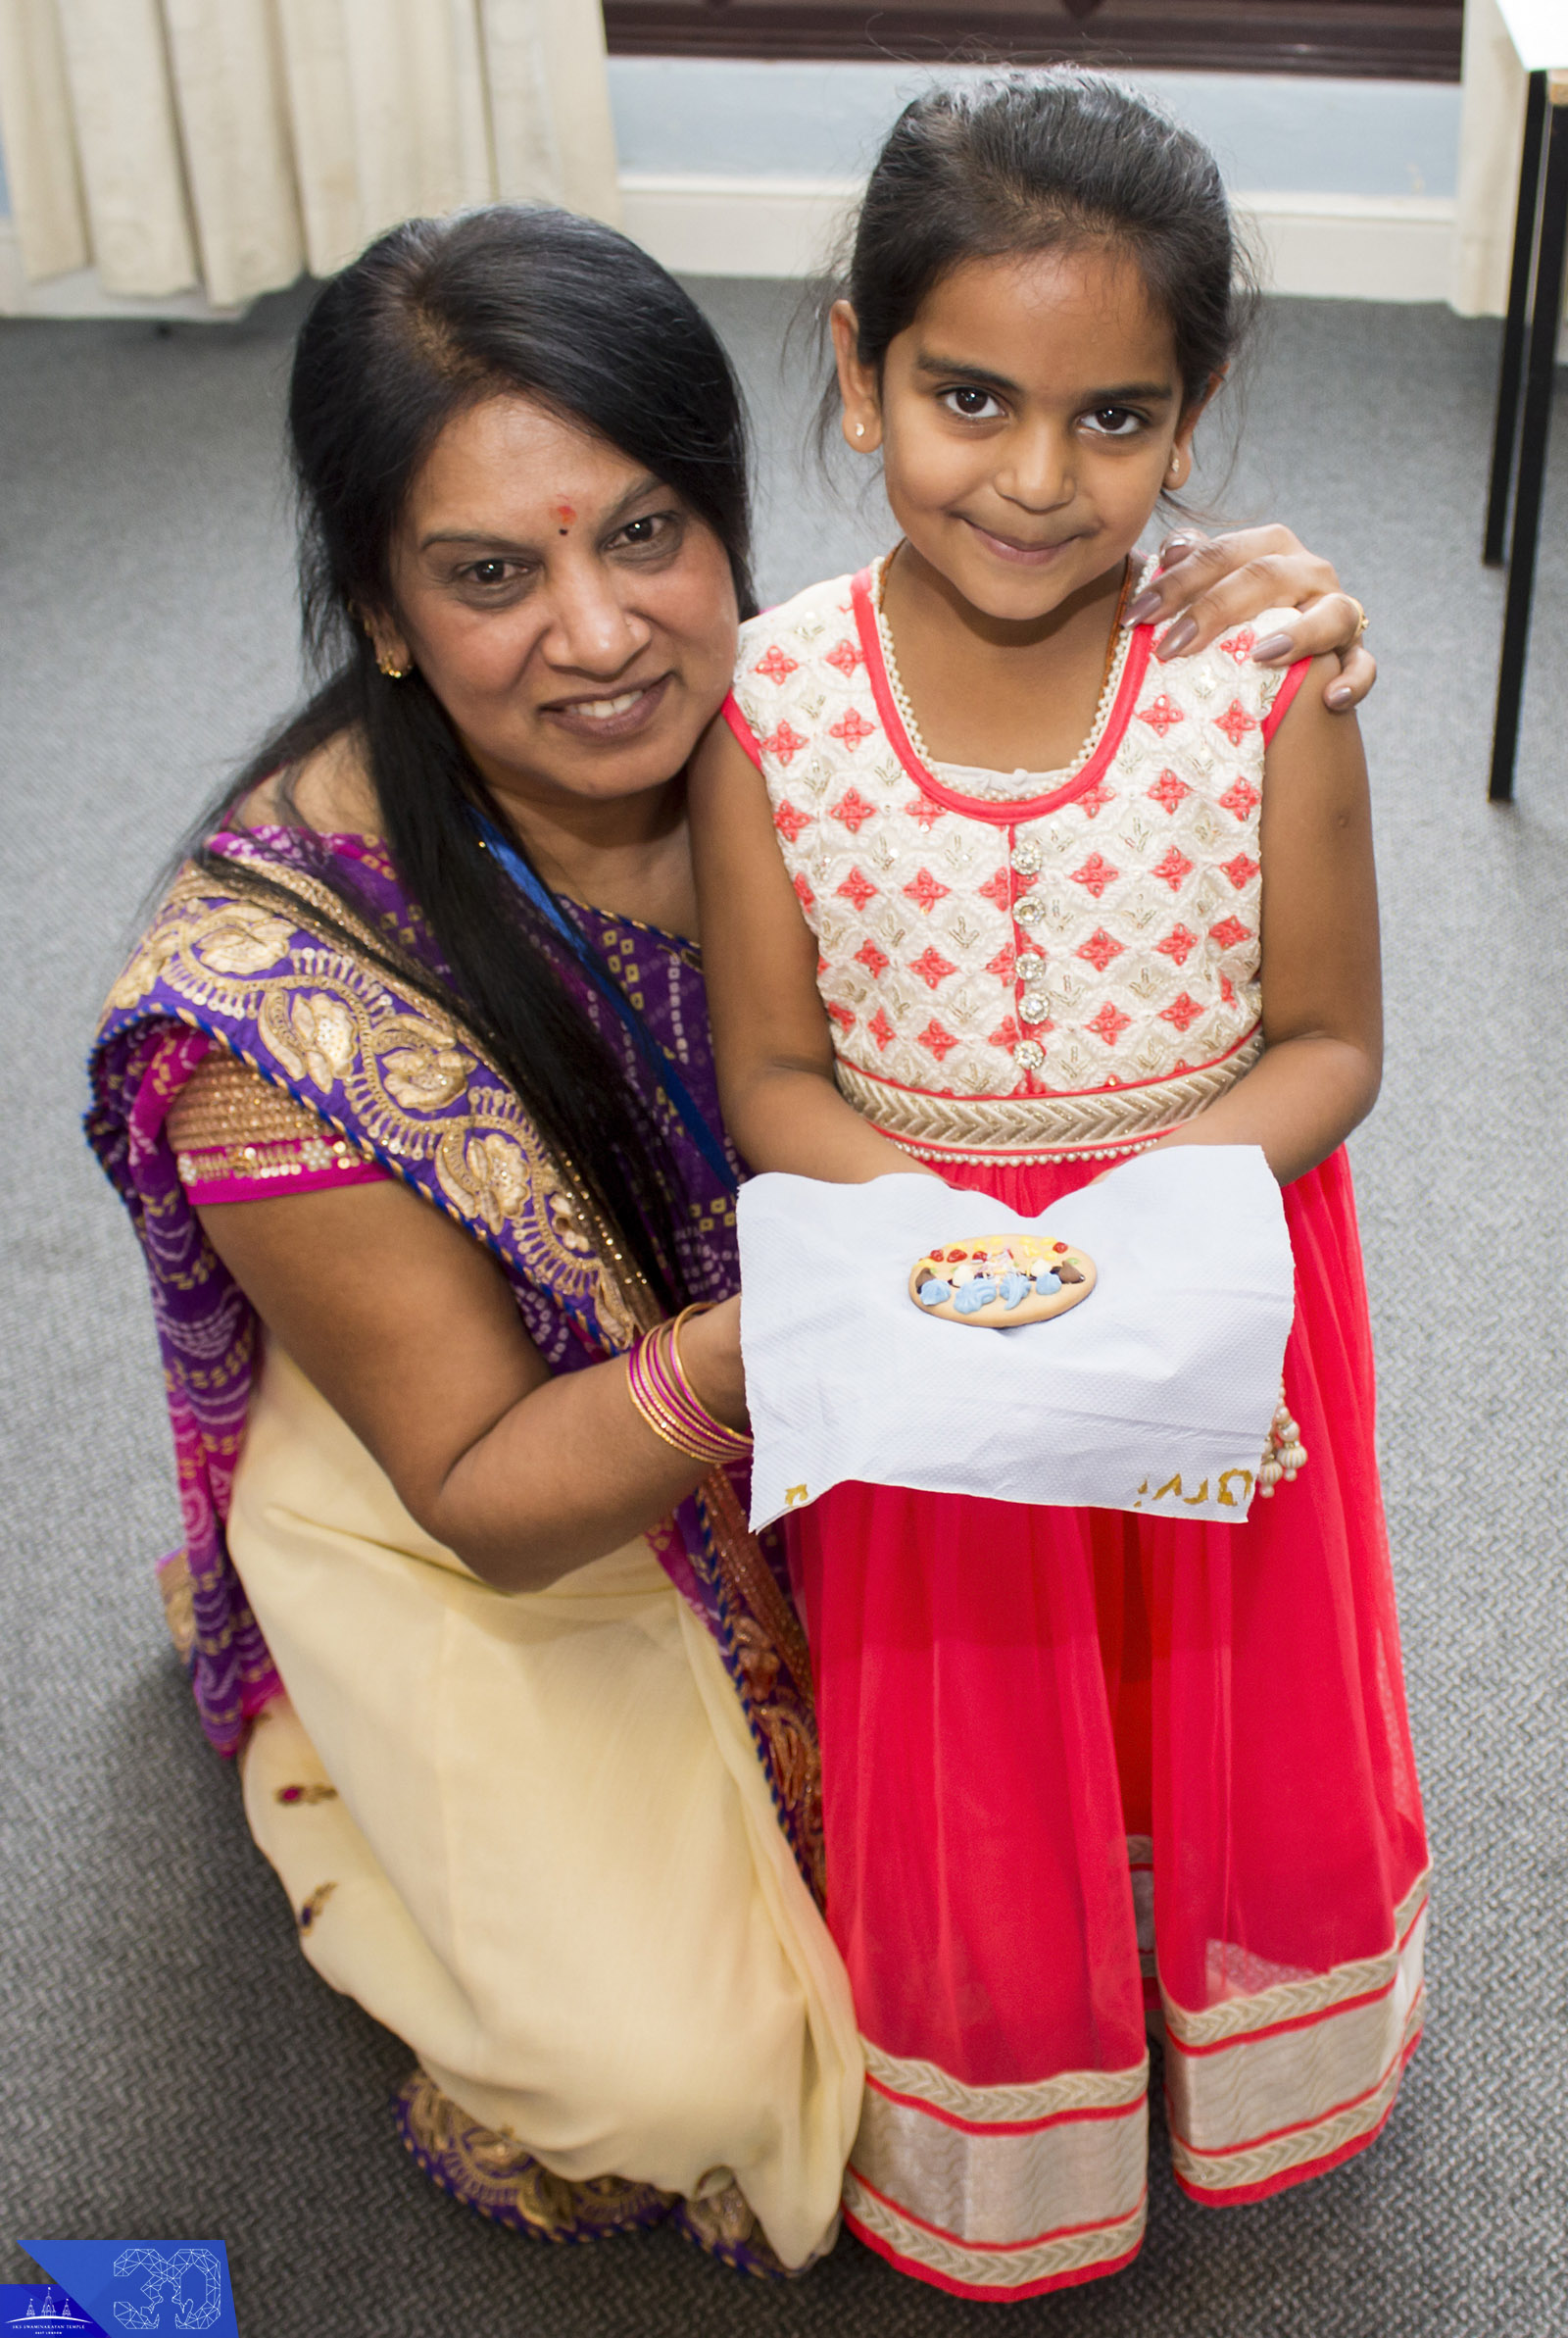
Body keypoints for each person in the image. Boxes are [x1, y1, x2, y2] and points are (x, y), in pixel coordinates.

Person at [86, 198, 1387, 2279]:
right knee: (705, 2076)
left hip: (881, 1366)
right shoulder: (271, 1019)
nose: (598, 637)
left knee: (1043, 1813)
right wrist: (793, 1325)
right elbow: (496, 1496)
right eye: (488, 575)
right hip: (520, 1481)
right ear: (383, 609)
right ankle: (306, 1726)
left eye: (644, 535)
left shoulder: (801, 724)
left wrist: (1251, 588)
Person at [692, 73, 1428, 2303]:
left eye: (1112, 416)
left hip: (1212, 1279)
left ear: (1194, 409)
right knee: (979, 1692)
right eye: (965, 398)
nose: (1032, 477)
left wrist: (1129, 1245)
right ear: (852, 367)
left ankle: (1242, 2046)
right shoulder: (772, 706)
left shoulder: (1255, 689)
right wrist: (975, 1254)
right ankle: (1016, 2096)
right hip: (925, 1296)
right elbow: (770, 1070)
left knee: (1214, 1673)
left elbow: (1330, 1041)